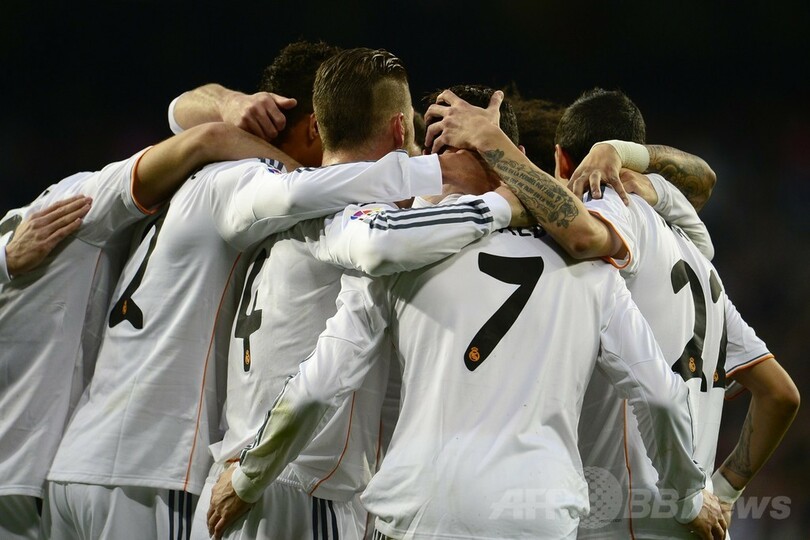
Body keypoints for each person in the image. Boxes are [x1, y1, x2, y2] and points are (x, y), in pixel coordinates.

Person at [205, 85, 723, 540]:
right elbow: (661, 397)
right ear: (518, 155)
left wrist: (248, 477)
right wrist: (687, 497)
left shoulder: (397, 260)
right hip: (537, 516)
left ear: (431, 163)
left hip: (419, 511)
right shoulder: (592, 268)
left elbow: (318, 387)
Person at [43, 45, 510, 540]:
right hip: (215, 472)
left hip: (200, 472)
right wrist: (493, 189)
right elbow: (365, 243)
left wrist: (225, 102)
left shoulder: (242, 190)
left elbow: (188, 116)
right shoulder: (286, 193)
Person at [190, 52, 532, 540]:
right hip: (298, 484)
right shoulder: (362, 222)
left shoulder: (265, 196)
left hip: (230, 478)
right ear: (400, 128)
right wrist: (503, 199)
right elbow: (377, 251)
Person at [0, 121, 291, 540]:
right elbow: (206, 138)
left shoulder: (21, 225)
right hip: (105, 470)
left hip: (66, 469)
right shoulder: (81, 199)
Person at [552, 88, 799, 539]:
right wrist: (720, 493)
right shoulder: (701, 265)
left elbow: (587, 235)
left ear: (561, 161)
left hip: (622, 520)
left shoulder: (610, 211)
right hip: (695, 522)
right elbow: (780, 395)